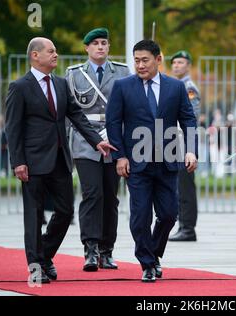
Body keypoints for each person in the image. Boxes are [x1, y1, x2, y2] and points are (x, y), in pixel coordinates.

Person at [5, 37, 114, 284]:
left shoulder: (61, 84)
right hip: (32, 163)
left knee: (65, 212)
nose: (56, 54)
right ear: (35, 55)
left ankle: (44, 255)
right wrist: (17, 161)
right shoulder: (19, 87)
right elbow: (12, 128)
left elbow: (76, 115)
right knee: (33, 216)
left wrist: (96, 140)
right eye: (51, 51)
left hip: (59, 161)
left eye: (55, 50)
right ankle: (36, 268)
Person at [106, 40, 198, 282]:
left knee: (168, 214)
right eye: (136, 60)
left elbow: (188, 120)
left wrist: (191, 150)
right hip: (136, 163)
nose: (140, 65)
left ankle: (153, 253)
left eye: (145, 60)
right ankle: (147, 264)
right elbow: (113, 123)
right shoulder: (123, 86)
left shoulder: (176, 87)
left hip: (168, 160)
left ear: (158, 59)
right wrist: (120, 156)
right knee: (140, 216)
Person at [66, 28, 130, 271]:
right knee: (92, 194)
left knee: (110, 198)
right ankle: (90, 249)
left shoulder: (122, 71)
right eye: (95, 43)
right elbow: (69, 113)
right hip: (85, 142)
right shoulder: (74, 74)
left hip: (114, 141)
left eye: (104, 43)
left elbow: (128, 107)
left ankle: (107, 250)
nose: (101, 47)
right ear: (87, 48)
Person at [168, 50, 200, 242]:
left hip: (183, 141)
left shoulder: (189, 88)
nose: (176, 66)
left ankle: (188, 228)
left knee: (185, 186)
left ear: (188, 65)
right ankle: (183, 225)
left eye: (180, 62)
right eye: (174, 63)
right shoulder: (175, 86)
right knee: (178, 186)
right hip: (173, 140)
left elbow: (191, 117)